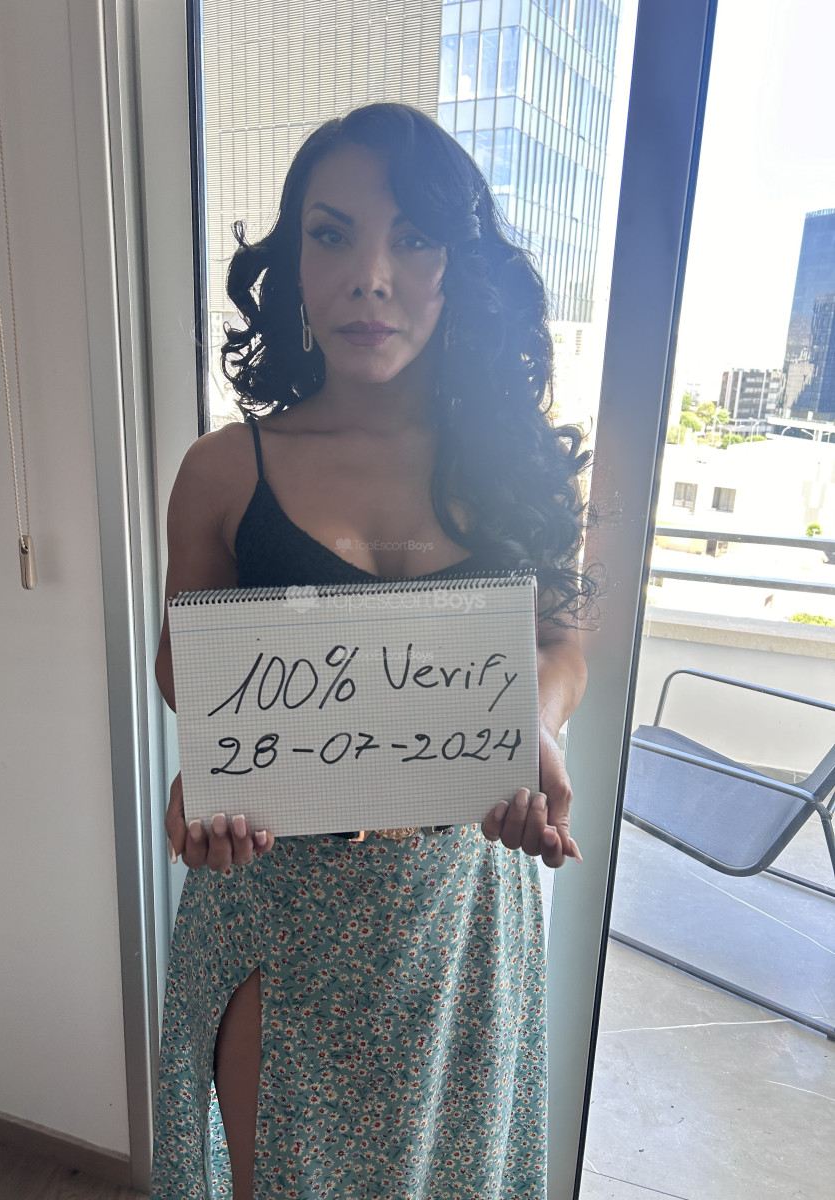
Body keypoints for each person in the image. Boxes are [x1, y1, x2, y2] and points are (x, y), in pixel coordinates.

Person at [152, 102, 591, 1199]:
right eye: (332, 235)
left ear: (460, 267)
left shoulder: (521, 469)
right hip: (275, 904)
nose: (371, 278)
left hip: (460, 909)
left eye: (415, 238)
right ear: (294, 264)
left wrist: (530, 727)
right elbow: (185, 667)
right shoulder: (223, 471)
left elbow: (561, 646)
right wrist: (212, 773)